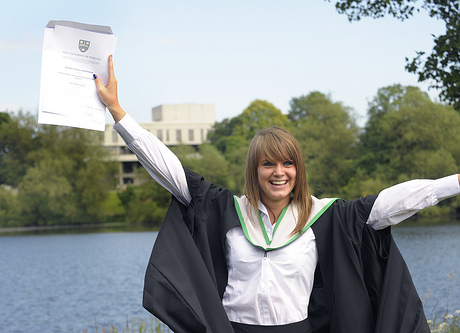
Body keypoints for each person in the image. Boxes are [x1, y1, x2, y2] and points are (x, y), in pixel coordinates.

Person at [94, 55, 460, 333]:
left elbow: (395, 202)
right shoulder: (224, 210)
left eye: (288, 163)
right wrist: (117, 111)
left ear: (298, 169)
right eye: (268, 164)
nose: (279, 172)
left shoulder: (329, 216)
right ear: (255, 170)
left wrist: (454, 183)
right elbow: (168, 167)